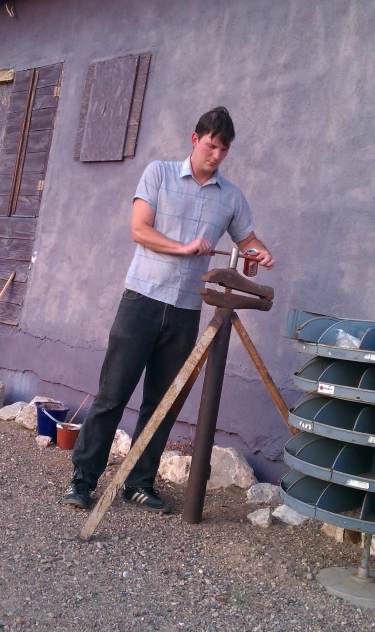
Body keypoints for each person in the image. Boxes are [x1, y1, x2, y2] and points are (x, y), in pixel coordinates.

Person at [64, 107, 274, 514]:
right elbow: (139, 229)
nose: (216, 155)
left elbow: (247, 239)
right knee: (112, 395)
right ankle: (83, 479)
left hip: (184, 310)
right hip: (141, 301)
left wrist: (258, 253)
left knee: (162, 402)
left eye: (224, 149)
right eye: (211, 145)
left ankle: (138, 483)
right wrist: (184, 247)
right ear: (195, 140)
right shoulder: (158, 174)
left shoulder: (231, 196)